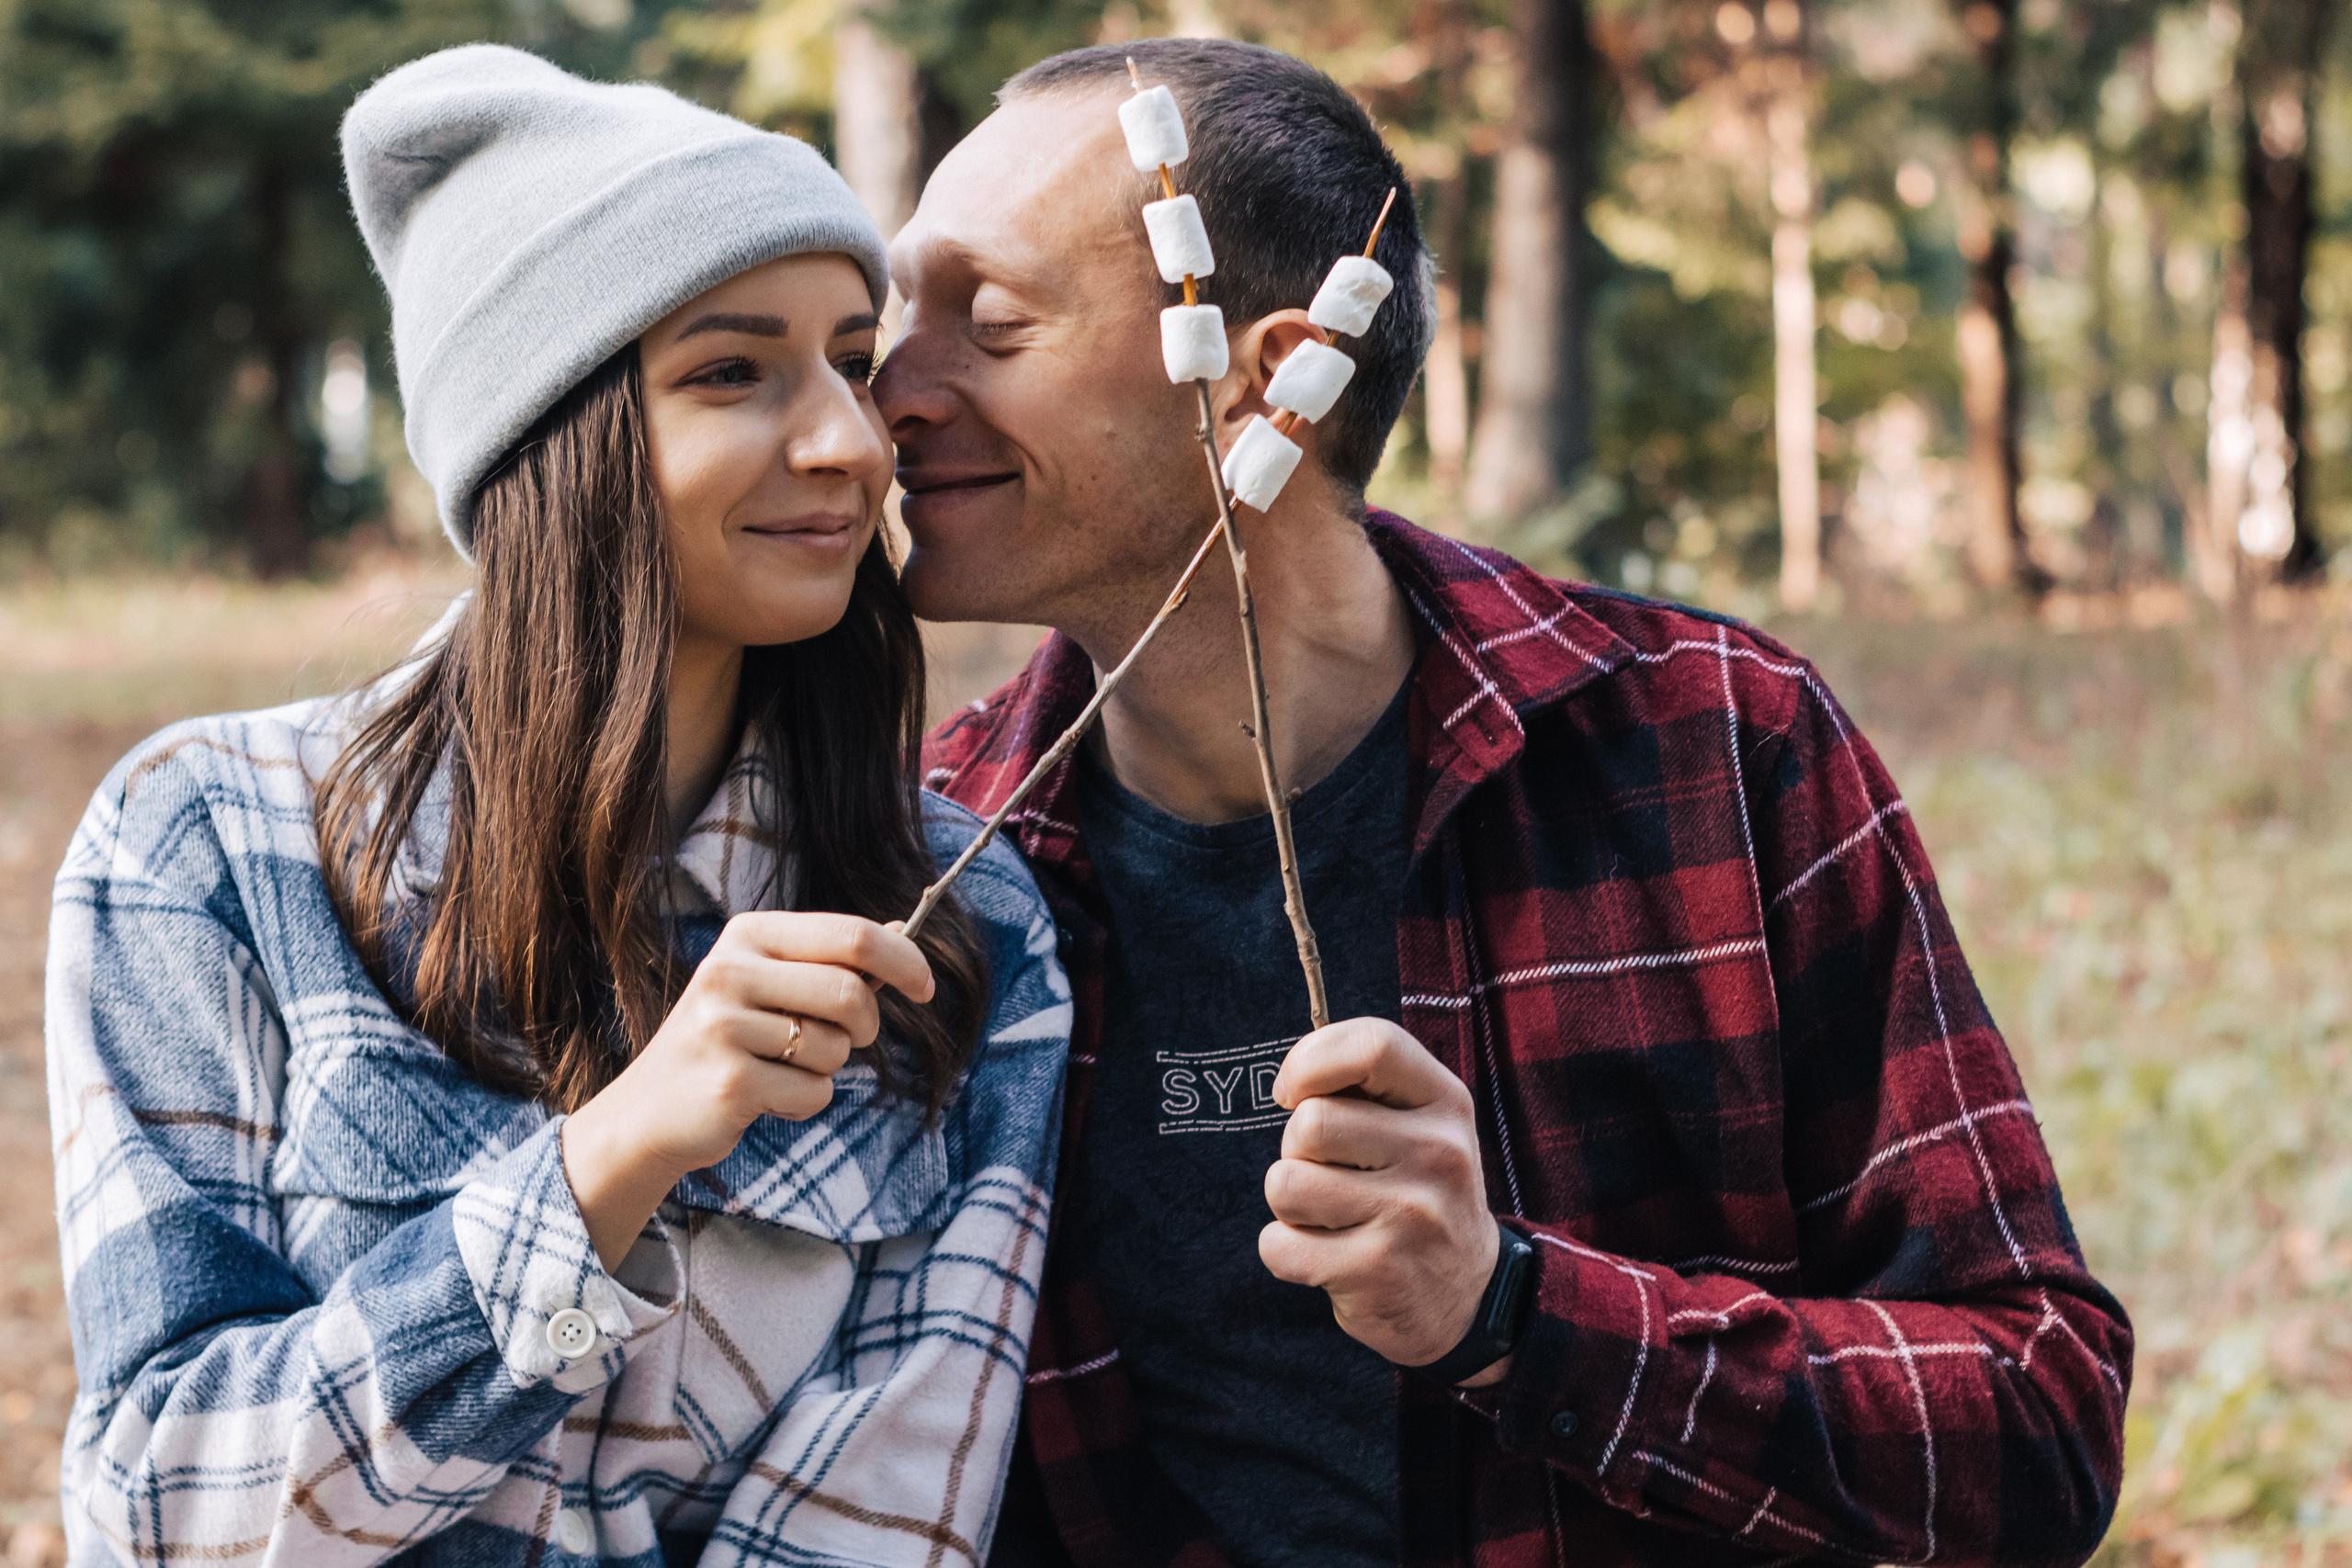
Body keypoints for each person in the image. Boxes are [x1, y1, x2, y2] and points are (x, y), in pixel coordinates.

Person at [878, 36, 2132, 1568]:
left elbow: (2038, 1431)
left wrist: (1514, 1316)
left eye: (988, 322)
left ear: (1268, 380)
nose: (889, 389)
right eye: (897, 313)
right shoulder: (933, 859)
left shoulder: (1716, 752)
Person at [46, 45, 1066, 1567]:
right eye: (734, 371)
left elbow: (887, 1523)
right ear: (548, 437)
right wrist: (604, 1168)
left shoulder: (962, 929)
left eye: (853, 361)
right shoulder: (205, 849)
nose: (852, 442)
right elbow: (158, 1507)